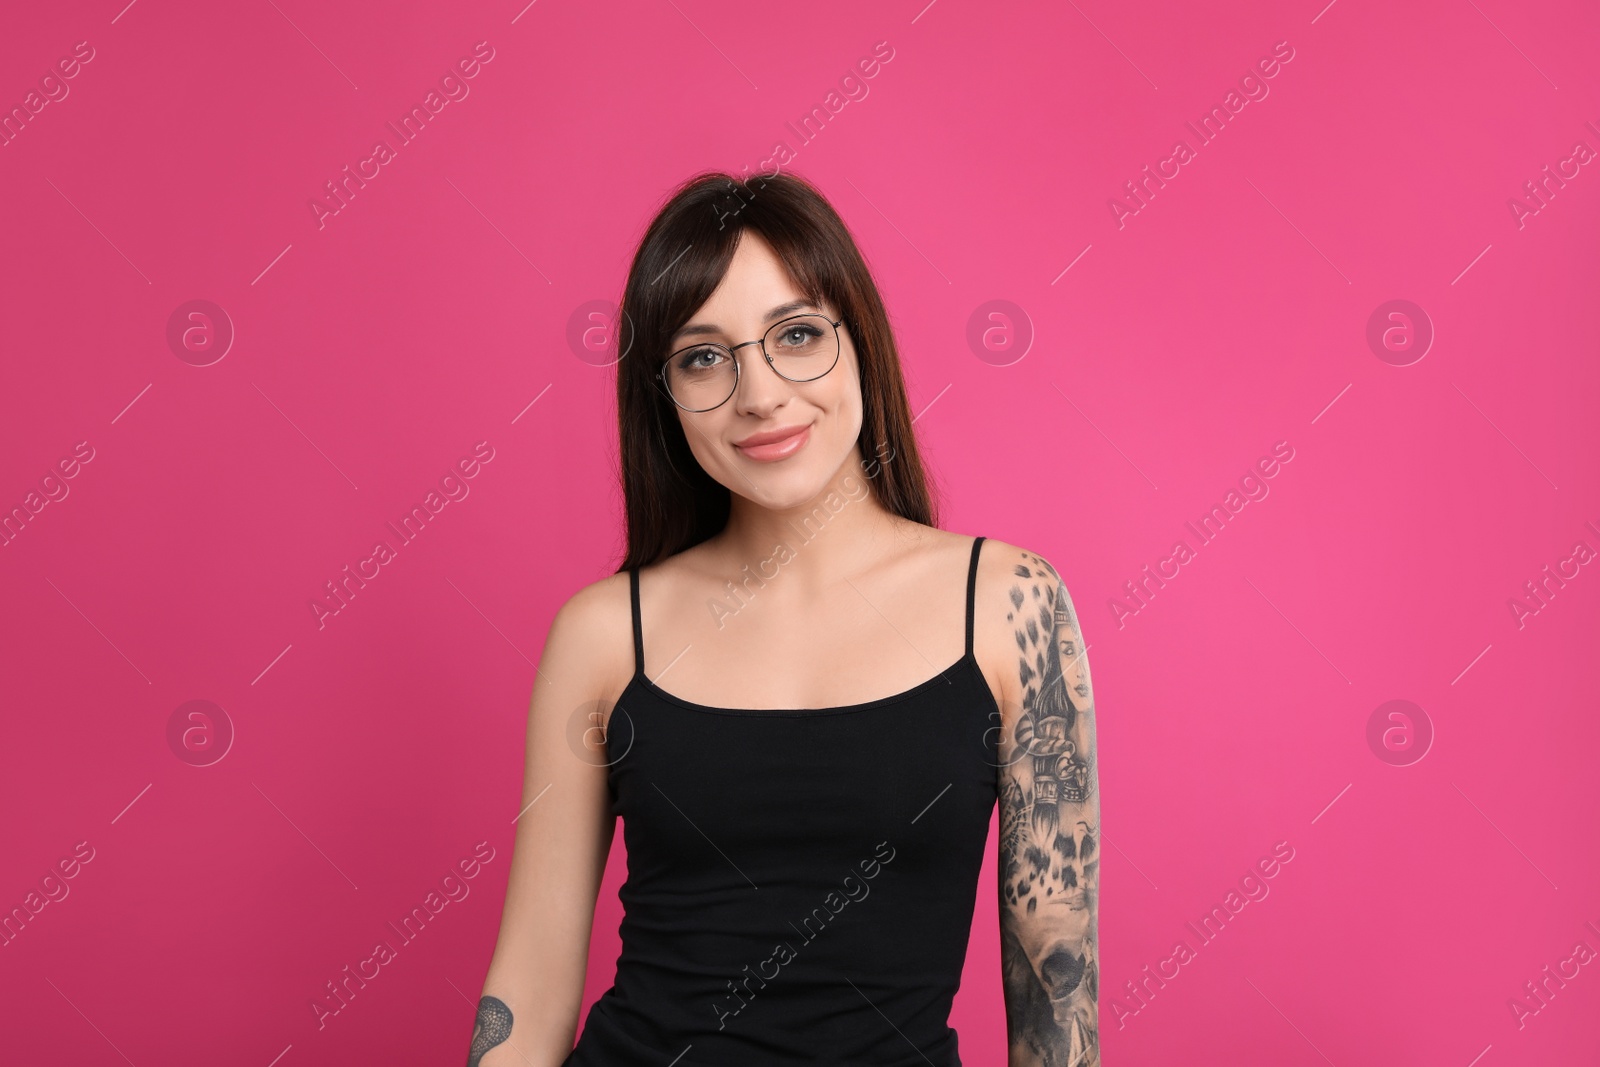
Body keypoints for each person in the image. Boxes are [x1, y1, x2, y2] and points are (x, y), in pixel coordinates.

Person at [467, 171, 1100, 1066]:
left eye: (797, 335)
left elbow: (1057, 995)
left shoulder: (1012, 606)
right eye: (702, 355)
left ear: (861, 343)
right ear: (664, 393)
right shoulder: (604, 634)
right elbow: (525, 996)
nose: (758, 394)